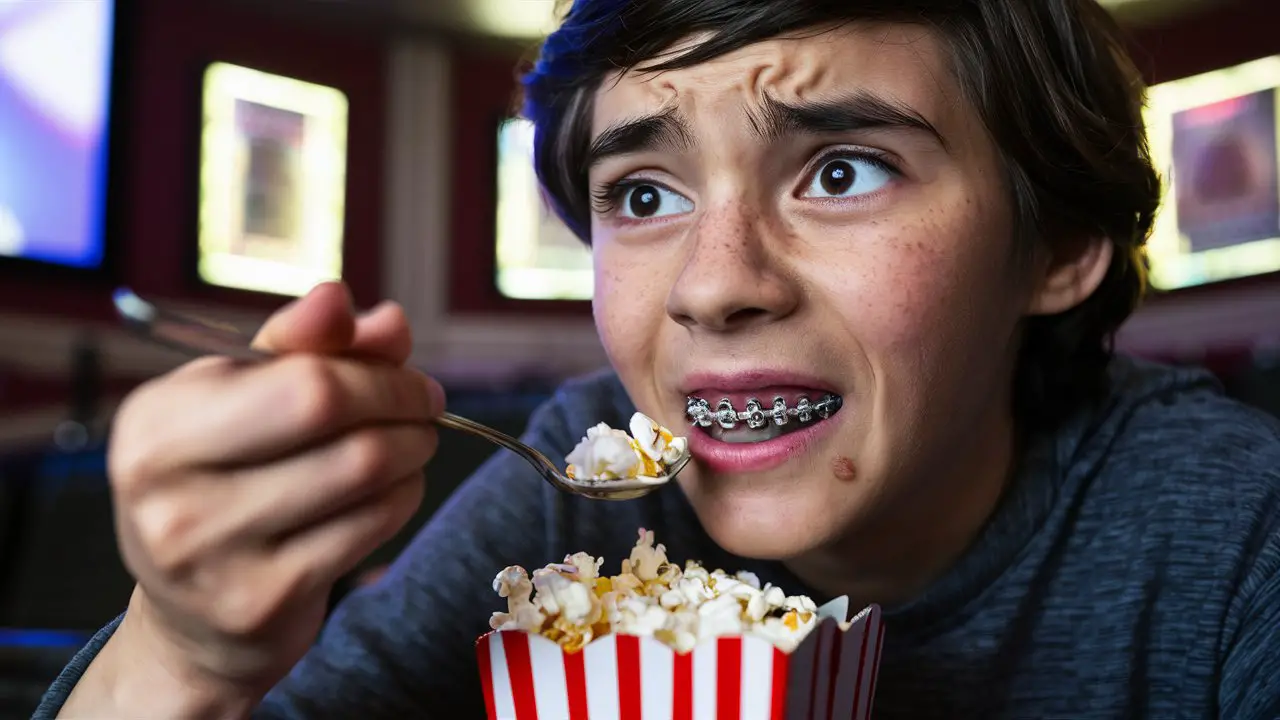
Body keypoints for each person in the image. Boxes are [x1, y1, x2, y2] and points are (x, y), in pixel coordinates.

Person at [38, 0, 1280, 717]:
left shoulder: (1235, 533)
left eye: (840, 171)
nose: (713, 282)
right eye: (641, 195)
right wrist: (185, 649)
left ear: (1054, 244)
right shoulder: (574, 494)